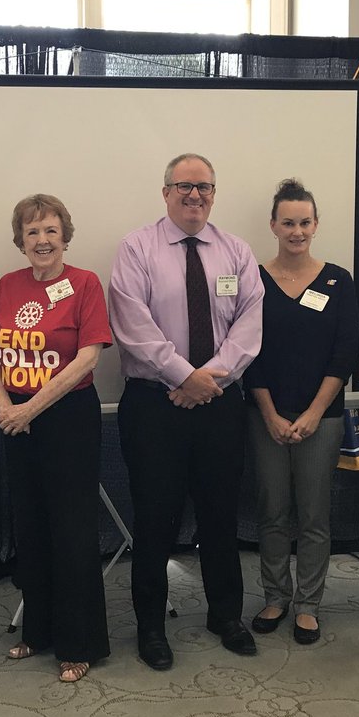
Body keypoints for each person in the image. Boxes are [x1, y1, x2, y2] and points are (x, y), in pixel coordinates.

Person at [109, 152, 264, 671]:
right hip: (155, 404)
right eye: (183, 186)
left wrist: (207, 381)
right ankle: (151, 626)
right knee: (155, 517)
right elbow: (133, 324)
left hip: (219, 403)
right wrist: (183, 376)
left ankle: (226, 616)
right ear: (166, 192)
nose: (194, 195)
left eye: (204, 187)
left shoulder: (237, 252)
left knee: (221, 514)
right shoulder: (136, 248)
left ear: (214, 194)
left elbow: (248, 327)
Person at [0, 194, 112, 683]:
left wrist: (29, 408)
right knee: (31, 527)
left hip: (66, 418)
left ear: (65, 237)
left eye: (51, 231)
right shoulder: (9, 285)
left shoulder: (84, 284)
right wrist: (4, 405)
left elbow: (88, 357)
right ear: (21, 239)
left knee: (72, 531)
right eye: (33, 232)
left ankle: (80, 643)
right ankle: (36, 632)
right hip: (16, 417)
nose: (42, 240)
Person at [245, 180, 359, 645]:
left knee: (313, 516)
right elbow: (248, 353)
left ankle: (308, 604)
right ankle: (276, 596)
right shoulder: (253, 277)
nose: (297, 231)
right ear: (273, 225)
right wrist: (271, 414)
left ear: (316, 225)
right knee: (273, 512)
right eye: (287, 222)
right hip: (264, 414)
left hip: (322, 418)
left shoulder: (338, 279)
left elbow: (344, 352)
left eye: (304, 222)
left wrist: (314, 412)